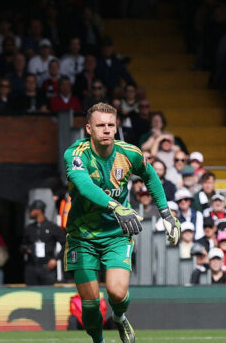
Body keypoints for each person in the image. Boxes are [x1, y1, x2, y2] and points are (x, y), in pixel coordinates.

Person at [63, 102, 180, 343]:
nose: (106, 130)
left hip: (116, 234)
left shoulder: (130, 153)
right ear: (88, 129)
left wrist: (166, 213)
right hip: (81, 236)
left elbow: (150, 176)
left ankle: (120, 317)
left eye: (110, 125)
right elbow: (84, 186)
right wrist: (117, 206)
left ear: (116, 127)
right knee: (91, 303)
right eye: (100, 125)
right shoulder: (76, 154)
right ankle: (99, 341)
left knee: (117, 292)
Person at [23, 200, 65, 285]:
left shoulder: (52, 227)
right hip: (32, 267)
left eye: (31, 210)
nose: (29, 213)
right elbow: (23, 244)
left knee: (47, 292)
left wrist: (56, 259)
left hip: (47, 267)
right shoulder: (29, 228)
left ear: (38, 210)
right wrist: (26, 249)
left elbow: (65, 244)